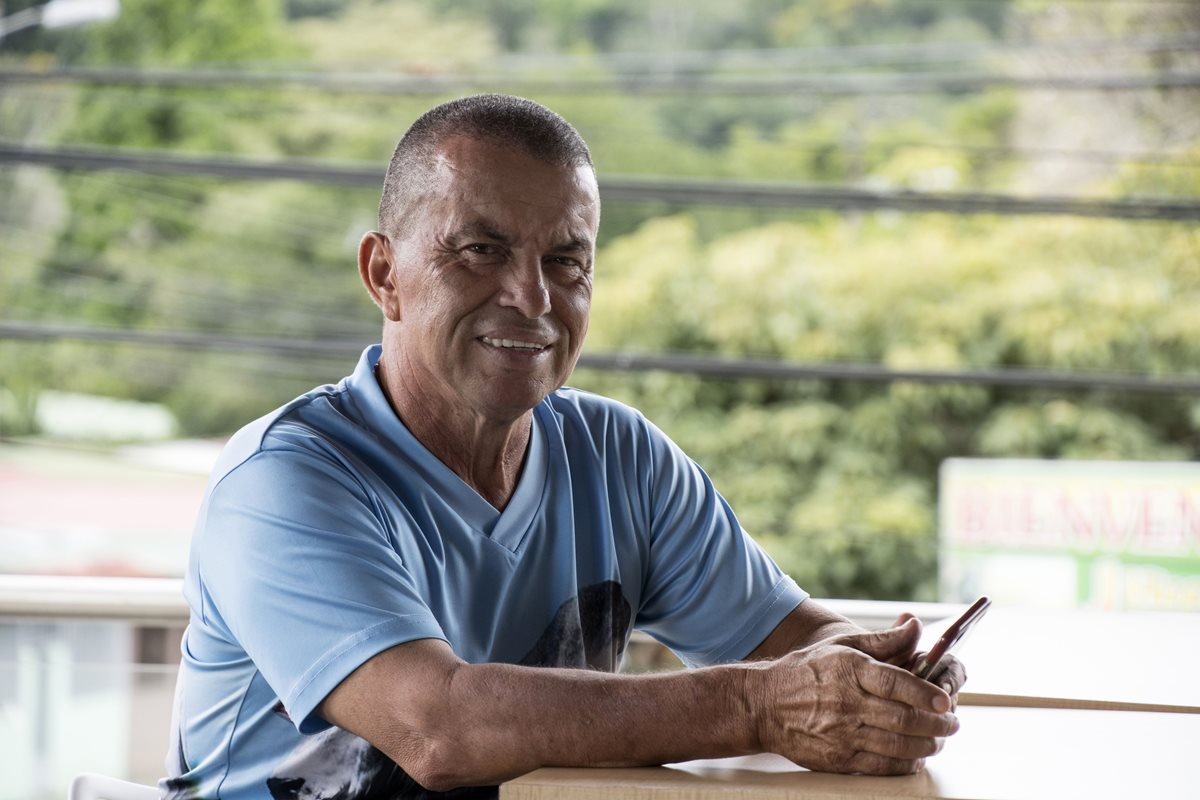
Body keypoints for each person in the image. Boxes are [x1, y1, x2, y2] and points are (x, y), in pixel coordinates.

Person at [164, 94, 964, 800]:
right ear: (384, 275)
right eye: (481, 250)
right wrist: (758, 706)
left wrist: (876, 679)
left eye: (566, 260)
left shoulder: (621, 456)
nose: (532, 297)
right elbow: (437, 730)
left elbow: (797, 643)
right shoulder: (284, 479)